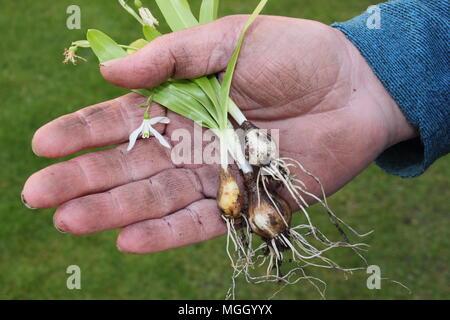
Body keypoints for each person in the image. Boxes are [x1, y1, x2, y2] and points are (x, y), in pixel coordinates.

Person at [22, 0, 448, 254]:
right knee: (249, 182)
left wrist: (365, 69)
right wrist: (374, 75)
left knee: (253, 176)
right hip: (239, 140)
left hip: (240, 141)